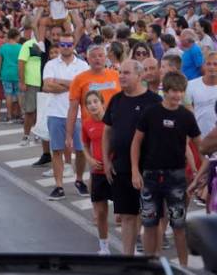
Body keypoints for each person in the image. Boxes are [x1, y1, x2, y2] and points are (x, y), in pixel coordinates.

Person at [131, 71, 202, 266]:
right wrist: (135, 171)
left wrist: (201, 174)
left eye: (180, 91)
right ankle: (150, 265)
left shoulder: (187, 116)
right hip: (150, 176)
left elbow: (200, 146)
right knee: (150, 225)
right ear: (165, 91)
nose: (177, 95)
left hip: (176, 178)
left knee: (179, 227)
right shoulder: (151, 113)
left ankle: (183, 267)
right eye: (173, 91)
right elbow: (136, 142)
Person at [101, 58, 160, 255]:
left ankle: (151, 259)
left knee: (149, 216)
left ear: (139, 75)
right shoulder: (116, 100)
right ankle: (127, 259)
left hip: (149, 168)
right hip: (122, 166)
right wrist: (107, 160)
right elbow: (107, 132)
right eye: (120, 72)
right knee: (127, 215)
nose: (121, 76)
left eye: (126, 73)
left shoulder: (154, 101)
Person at [43, 32, 90, 200]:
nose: (65, 48)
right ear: (58, 46)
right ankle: (59, 185)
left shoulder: (83, 65)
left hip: (78, 115)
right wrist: (73, 85)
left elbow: (85, 88)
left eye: (68, 45)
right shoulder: (50, 64)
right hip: (56, 113)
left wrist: (59, 81)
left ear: (73, 46)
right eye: (62, 45)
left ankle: (79, 180)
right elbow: (47, 86)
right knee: (57, 150)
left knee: (81, 150)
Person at [81, 91, 112, 255]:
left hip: (115, 172)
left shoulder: (112, 121)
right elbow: (84, 144)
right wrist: (90, 159)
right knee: (100, 212)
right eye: (89, 103)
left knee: (126, 213)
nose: (93, 105)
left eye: (95, 102)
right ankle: (104, 247)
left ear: (102, 103)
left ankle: (132, 246)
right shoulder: (86, 124)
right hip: (97, 172)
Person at [17, 20, 41, 144]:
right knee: (29, 111)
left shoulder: (46, 45)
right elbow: (21, 63)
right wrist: (22, 81)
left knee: (40, 112)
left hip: (44, 84)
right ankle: (26, 135)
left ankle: (38, 134)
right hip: (31, 83)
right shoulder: (28, 45)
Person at [184, 51, 217, 138]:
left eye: (215, 64)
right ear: (203, 66)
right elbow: (186, 112)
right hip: (198, 138)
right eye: (208, 64)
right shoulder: (190, 85)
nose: (212, 67)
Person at [0, 28, 22, 123]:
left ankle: (9, 115)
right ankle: (22, 114)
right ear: (16, 36)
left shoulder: (3, 47)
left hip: (6, 73)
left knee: (8, 95)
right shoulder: (21, 47)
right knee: (19, 95)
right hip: (17, 73)